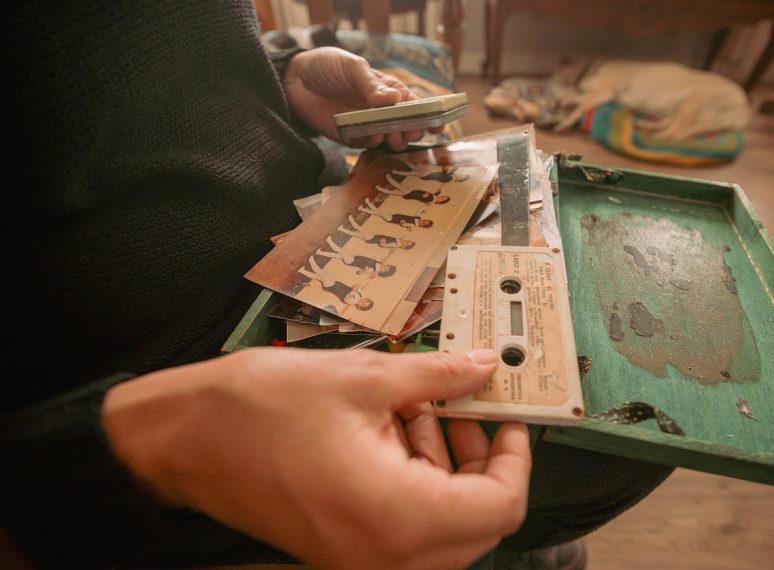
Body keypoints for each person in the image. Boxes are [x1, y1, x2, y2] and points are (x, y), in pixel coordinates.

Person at [3, 2, 672, 569]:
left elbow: (135, 73)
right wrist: (152, 442)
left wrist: (281, 82)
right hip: (168, 383)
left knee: (629, 324)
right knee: (620, 434)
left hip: (315, 206)